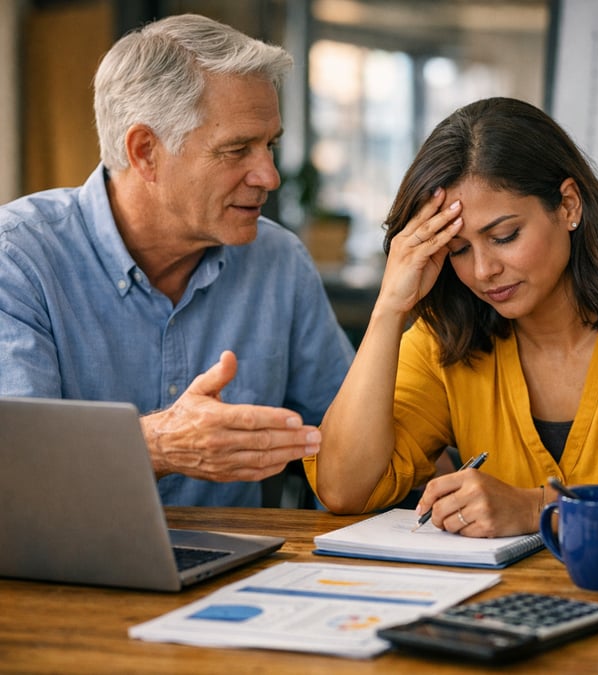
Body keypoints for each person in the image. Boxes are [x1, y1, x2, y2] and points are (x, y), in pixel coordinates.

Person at [305, 97, 598, 536]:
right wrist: (390, 308)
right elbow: (345, 489)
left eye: (505, 235)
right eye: (457, 249)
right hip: (497, 618)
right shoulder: (445, 334)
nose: (483, 270)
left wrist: (544, 507)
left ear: (568, 206)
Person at [0, 14, 355, 507]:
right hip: (69, 577)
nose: (269, 176)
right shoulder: (17, 260)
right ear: (146, 152)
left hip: (247, 573)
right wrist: (158, 446)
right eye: (237, 149)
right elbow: (13, 465)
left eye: (269, 145)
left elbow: (348, 437)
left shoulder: (279, 261)